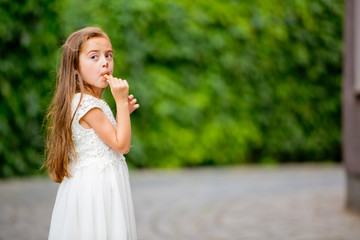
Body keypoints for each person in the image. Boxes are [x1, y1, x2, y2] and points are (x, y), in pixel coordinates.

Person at [43, 26, 139, 240]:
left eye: (109, 55)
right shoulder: (87, 103)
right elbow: (121, 145)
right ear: (75, 67)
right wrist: (121, 103)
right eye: (94, 57)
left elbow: (105, 139)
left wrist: (124, 113)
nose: (104, 62)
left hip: (97, 184)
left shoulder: (88, 101)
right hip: (97, 189)